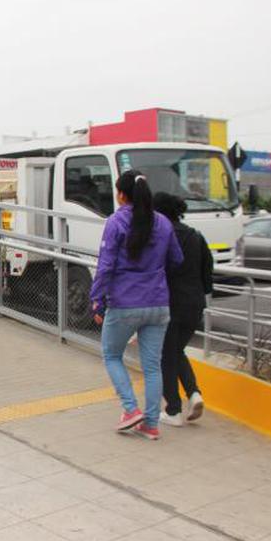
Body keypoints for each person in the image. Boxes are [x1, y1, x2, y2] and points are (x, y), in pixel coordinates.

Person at [90, 170, 183, 440]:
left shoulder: (116, 222)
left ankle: (130, 410)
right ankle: (151, 424)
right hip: (158, 303)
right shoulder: (163, 222)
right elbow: (176, 259)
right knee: (152, 366)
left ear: (121, 194)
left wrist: (97, 300)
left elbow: (105, 266)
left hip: (124, 303)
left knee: (111, 355)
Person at [153, 192, 212, 426]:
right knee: (177, 351)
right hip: (195, 303)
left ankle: (174, 411)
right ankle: (194, 393)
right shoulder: (196, 236)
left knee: (166, 356)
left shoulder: (160, 236)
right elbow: (207, 273)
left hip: (169, 304)